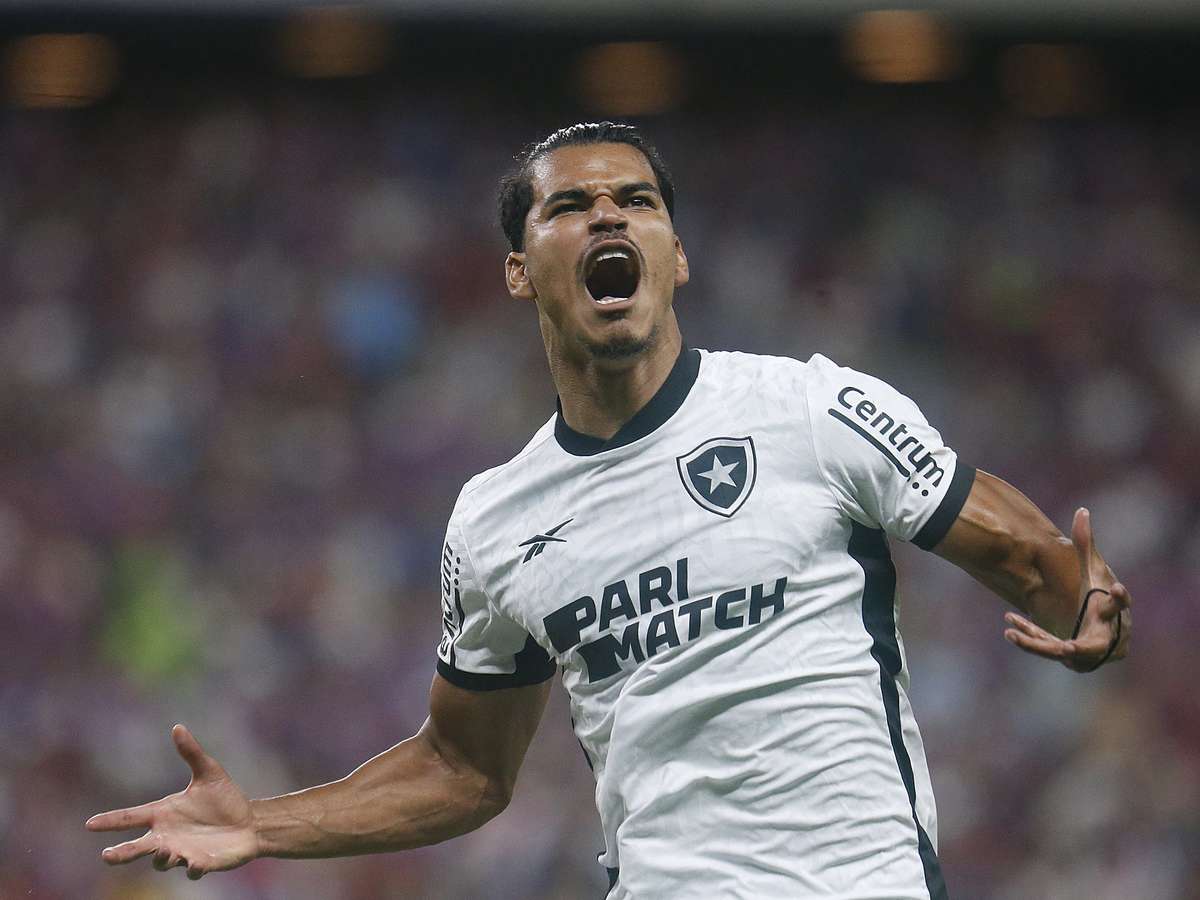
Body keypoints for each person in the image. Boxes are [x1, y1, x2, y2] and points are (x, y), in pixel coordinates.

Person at [87, 122, 1132, 898]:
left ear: (676, 256)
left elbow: (1033, 558)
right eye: (569, 206)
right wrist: (261, 825)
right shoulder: (495, 521)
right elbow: (463, 767)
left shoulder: (814, 410)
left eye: (637, 200)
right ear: (519, 270)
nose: (607, 215)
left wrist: (1086, 602)